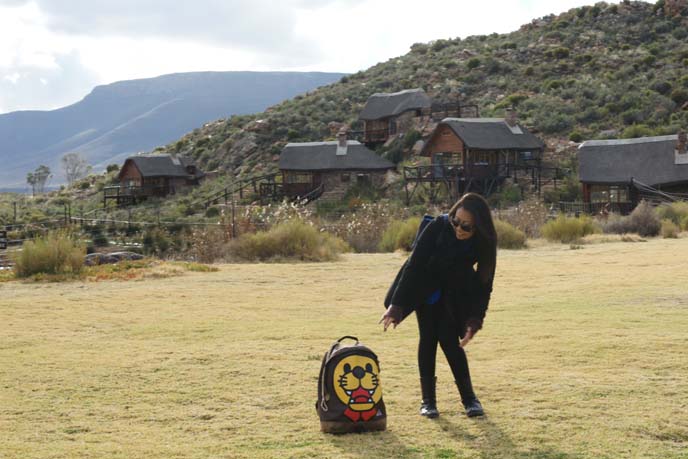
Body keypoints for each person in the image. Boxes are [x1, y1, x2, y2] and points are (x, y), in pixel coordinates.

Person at [379, 193, 497, 418]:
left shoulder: (486, 241)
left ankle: (470, 399)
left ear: (479, 227)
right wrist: (397, 306)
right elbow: (414, 266)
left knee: (451, 341)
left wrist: (475, 320)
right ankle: (428, 402)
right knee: (429, 338)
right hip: (425, 287)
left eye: (466, 226)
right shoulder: (437, 227)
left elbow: (484, 284)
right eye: (455, 221)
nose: (458, 228)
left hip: (455, 291)